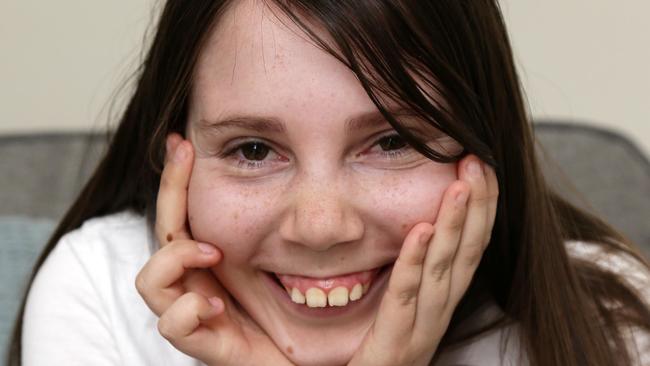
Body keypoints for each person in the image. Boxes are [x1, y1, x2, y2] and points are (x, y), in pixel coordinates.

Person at [7, 0, 650, 365]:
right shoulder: (97, 293)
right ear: (177, 159)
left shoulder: (610, 320)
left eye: (392, 142)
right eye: (254, 149)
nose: (320, 227)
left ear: (486, 147)